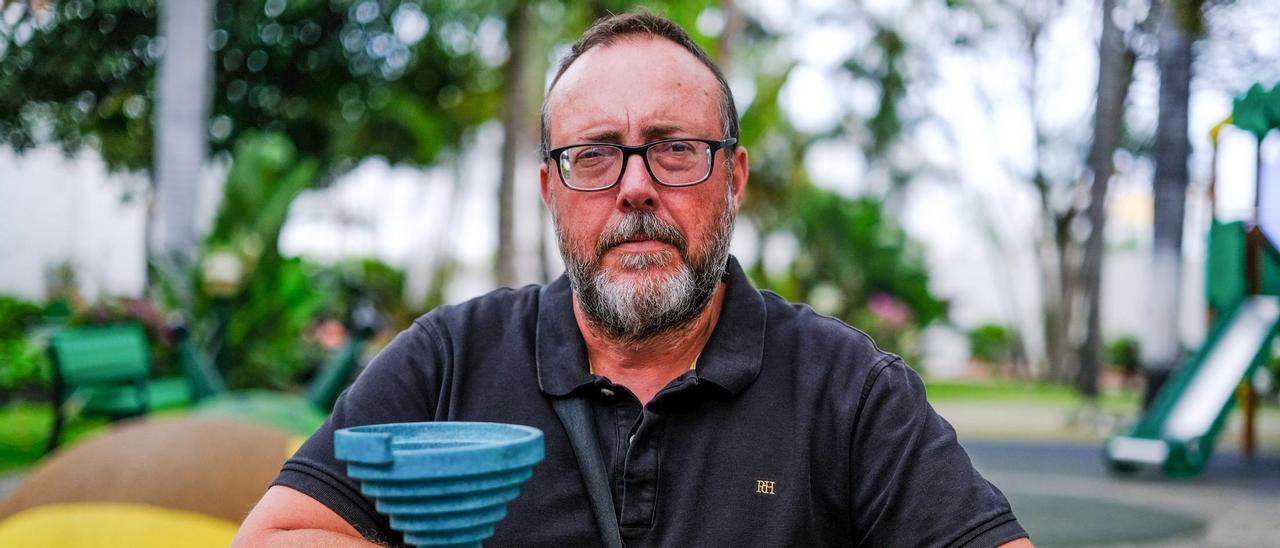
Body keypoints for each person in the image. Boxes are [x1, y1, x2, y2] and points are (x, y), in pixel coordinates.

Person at [235, 11, 1032, 548]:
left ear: (735, 178)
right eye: (594, 155)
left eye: (675, 148)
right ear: (551, 190)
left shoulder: (849, 390)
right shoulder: (451, 359)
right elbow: (281, 533)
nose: (636, 186)